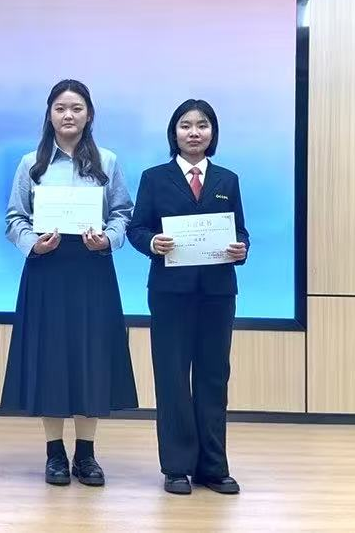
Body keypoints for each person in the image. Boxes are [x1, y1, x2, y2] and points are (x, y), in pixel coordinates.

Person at [1, 79, 138, 487]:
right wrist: (33, 243)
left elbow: (123, 213)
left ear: (89, 114)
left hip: (93, 267)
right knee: (51, 359)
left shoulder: (108, 161)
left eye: (76, 108)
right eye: (60, 108)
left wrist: (107, 239)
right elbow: (14, 217)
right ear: (49, 115)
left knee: (90, 356)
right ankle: (55, 453)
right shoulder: (32, 164)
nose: (68, 115)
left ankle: (87, 454)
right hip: (47, 268)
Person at [126, 98, 250, 496]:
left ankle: (213, 467)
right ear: (174, 132)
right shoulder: (154, 177)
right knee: (173, 377)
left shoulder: (227, 179)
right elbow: (136, 229)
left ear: (212, 133)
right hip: (170, 293)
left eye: (202, 125)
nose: (194, 132)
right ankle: (177, 467)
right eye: (185, 125)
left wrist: (241, 248)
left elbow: (241, 231)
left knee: (214, 377)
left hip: (217, 292)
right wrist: (152, 243)